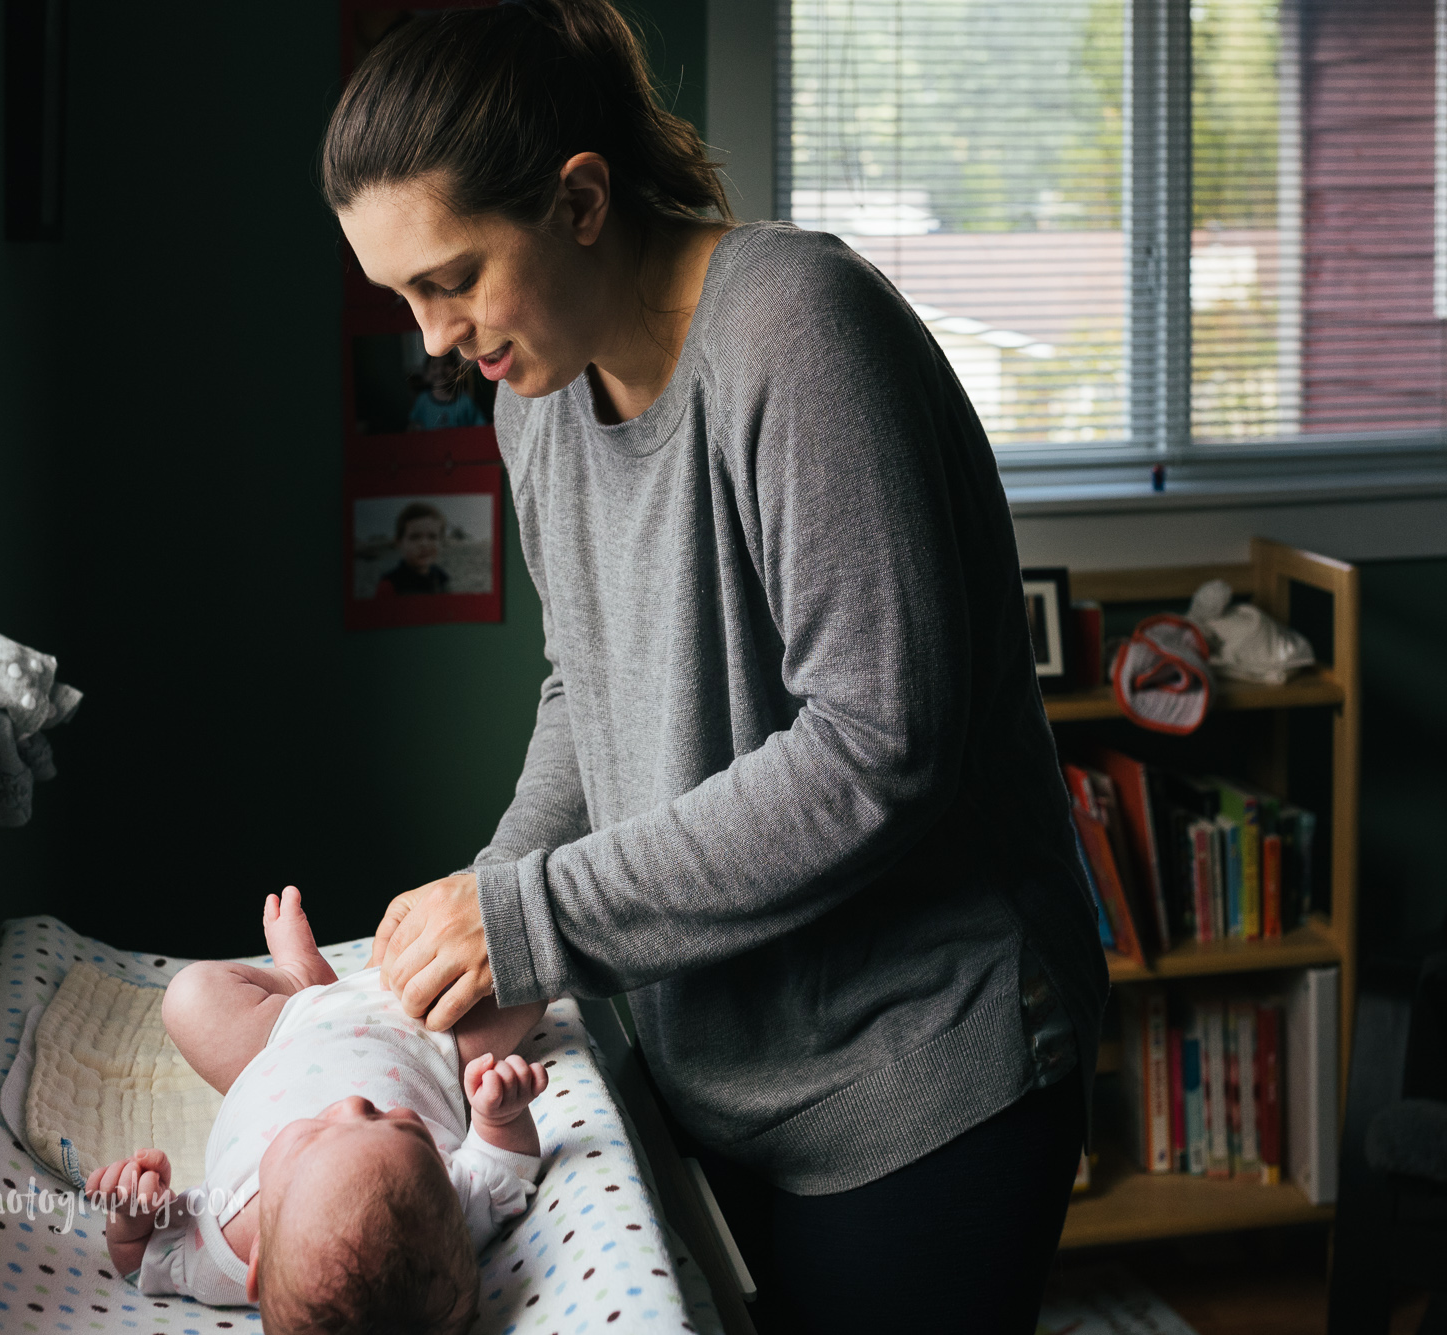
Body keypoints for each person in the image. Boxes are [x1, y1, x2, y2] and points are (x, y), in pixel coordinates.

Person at [323, 4, 1108, 1330]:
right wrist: (494, 914)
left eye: (450, 276)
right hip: (721, 1066)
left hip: (921, 1077)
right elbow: (590, 686)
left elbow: (878, 743)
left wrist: (533, 921)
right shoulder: (539, 400)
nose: (433, 339)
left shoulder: (798, 329)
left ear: (578, 200)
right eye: (402, 295)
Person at [91, 886, 547, 1333]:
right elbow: (505, 1174)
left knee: (190, 995)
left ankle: (301, 982)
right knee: (527, 979)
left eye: (311, 1135)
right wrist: (499, 1117)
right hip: (426, 1036)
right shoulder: (447, 1219)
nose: (351, 1104)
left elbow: (139, 1263)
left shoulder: (216, 1249)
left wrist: (131, 1215)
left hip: (282, 1035)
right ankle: (345, 979)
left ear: (255, 1270)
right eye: (406, 1131)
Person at [375, 501, 451, 596]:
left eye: (432, 537)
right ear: (399, 541)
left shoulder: (442, 579)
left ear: (441, 541)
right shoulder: (389, 586)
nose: (424, 544)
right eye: (415, 537)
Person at [408, 353, 490, 430]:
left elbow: (480, 428)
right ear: (426, 374)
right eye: (434, 366)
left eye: (446, 364)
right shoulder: (422, 401)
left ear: (457, 371)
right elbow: (413, 427)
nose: (440, 371)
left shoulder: (466, 402)